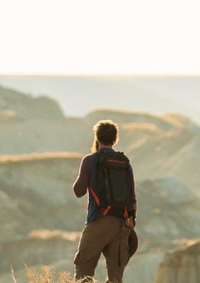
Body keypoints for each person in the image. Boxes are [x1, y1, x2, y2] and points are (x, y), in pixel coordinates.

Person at [71, 120, 137, 283]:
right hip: (121, 224)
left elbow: (78, 192)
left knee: (83, 272)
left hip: (98, 222)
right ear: (115, 139)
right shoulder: (124, 162)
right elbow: (132, 198)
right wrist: (130, 224)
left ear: (97, 137)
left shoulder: (90, 160)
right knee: (115, 277)